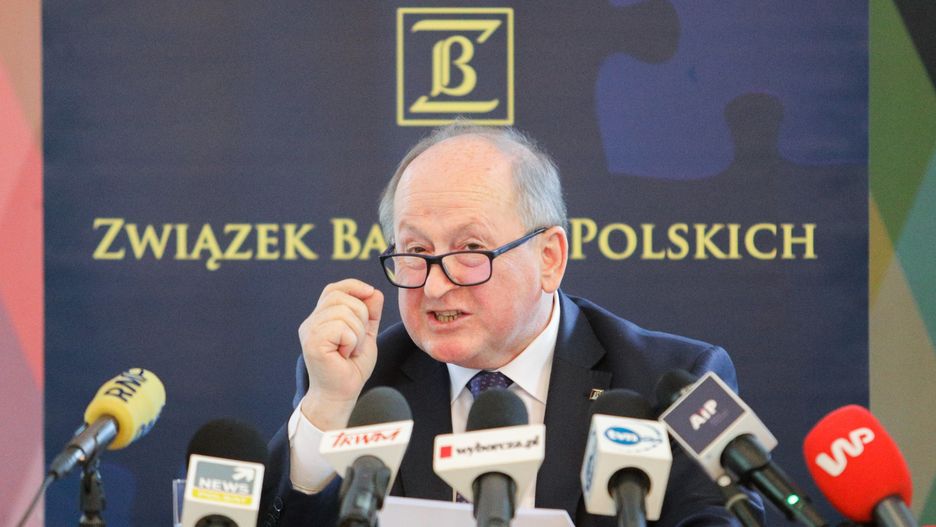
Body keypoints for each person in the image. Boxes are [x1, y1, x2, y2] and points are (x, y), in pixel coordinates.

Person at [260, 124, 764, 527]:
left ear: (549, 258)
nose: (435, 286)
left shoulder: (677, 380)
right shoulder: (364, 383)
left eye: (471, 249)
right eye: (415, 251)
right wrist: (328, 408)